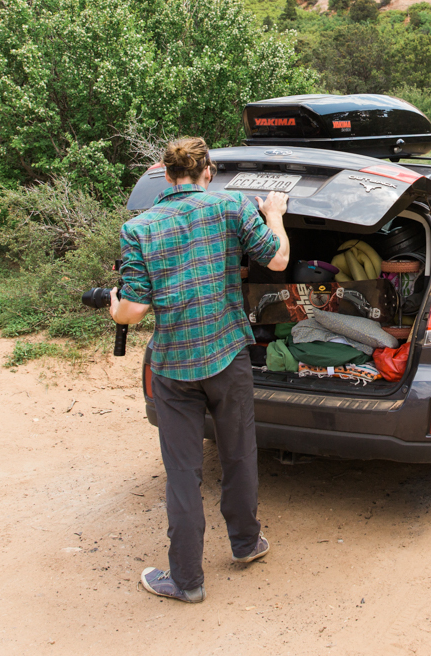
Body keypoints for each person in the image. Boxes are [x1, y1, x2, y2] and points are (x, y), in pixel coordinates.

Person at [109, 137, 290, 604]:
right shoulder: (231, 207)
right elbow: (278, 259)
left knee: (184, 473)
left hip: (174, 367)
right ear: (208, 172)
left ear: (167, 177)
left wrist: (115, 310)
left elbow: (132, 311)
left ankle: (187, 581)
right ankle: (246, 545)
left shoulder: (140, 228)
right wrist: (274, 214)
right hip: (228, 356)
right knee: (238, 454)